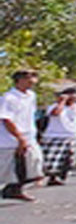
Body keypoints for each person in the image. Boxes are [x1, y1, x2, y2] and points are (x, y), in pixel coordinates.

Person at [0, 69, 43, 201]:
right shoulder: (8, 98)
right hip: (10, 138)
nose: (33, 81)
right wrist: (19, 138)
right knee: (7, 169)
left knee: (34, 162)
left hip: (29, 135)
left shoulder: (31, 96)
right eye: (29, 78)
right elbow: (6, 119)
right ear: (20, 80)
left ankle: (14, 189)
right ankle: (12, 189)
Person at [42, 87, 76, 186]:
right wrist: (62, 102)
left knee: (68, 158)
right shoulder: (55, 106)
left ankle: (61, 176)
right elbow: (55, 113)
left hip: (72, 135)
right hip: (55, 135)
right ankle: (52, 177)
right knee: (52, 159)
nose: (72, 97)